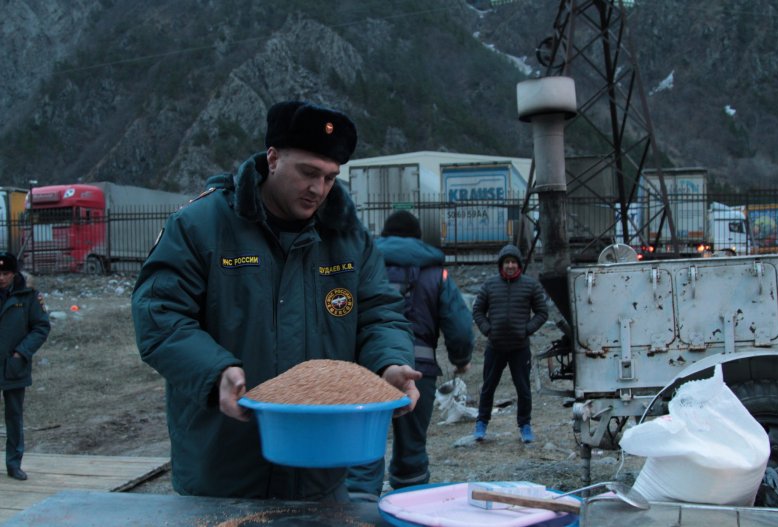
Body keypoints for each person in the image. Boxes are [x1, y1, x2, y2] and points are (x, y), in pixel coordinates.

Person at [131, 100, 421, 501]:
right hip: (223, 472)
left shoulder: (348, 238)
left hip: (322, 474)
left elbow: (380, 315)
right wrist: (217, 373)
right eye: (308, 173)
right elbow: (159, 317)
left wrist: (389, 364)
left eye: (330, 178)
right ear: (273, 158)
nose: (318, 189)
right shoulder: (201, 226)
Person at [346, 211, 474, 499]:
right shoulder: (435, 273)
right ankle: (409, 507)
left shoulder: (362, 264)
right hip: (418, 371)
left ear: (386, 235)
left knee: (362, 449)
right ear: (417, 238)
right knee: (411, 449)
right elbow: (459, 324)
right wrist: (460, 358)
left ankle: (359, 511)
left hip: (365, 370)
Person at [472, 244, 548, 444]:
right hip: (495, 347)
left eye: (513, 262)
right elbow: (478, 311)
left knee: (523, 389)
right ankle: (481, 423)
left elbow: (542, 312)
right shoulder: (490, 285)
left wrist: (526, 329)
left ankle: (525, 426)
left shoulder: (530, 285)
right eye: (507, 262)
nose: (510, 266)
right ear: (501, 265)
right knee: (488, 387)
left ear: (519, 265)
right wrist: (488, 330)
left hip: (519, 349)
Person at [0, 252, 51, 481]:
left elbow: (41, 327)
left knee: (14, 416)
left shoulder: (28, 295)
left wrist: (22, 352)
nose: (1, 278)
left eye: (5, 273)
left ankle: (14, 464)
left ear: (14, 274)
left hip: (14, 365)